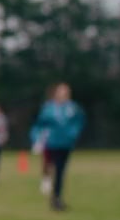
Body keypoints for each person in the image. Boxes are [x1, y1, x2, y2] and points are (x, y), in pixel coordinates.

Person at [30, 82, 85, 211]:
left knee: (60, 170)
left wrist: (73, 133)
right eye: (61, 91)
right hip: (51, 142)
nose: (63, 94)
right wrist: (36, 139)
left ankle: (56, 197)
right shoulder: (48, 108)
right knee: (48, 164)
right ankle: (46, 180)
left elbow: (79, 121)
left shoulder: (73, 108)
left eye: (66, 92)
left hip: (65, 143)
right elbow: (39, 124)